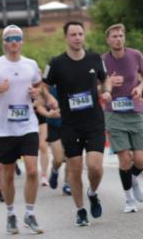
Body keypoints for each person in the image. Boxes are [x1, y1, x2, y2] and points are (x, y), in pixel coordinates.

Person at [40, 21, 111, 227]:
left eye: (80, 34)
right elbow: (43, 85)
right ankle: (80, 210)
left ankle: (93, 193)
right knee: (75, 168)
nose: (78, 38)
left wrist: (106, 91)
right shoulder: (56, 63)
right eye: (73, 34)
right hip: (70, 124)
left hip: (94, 121)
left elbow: (104, 79)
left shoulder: (95, 58)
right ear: (66, 37)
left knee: (95, 168)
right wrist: (50, 99)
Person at [0, 25, 45, 235]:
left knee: (33, 170)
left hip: (28, 125)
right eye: (9, 38)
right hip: (4, 129)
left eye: (17, 38)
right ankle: (10, 214)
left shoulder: (31, 64)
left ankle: (30, 213)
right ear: (4, 42)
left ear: (22, 41)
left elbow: (40, 87)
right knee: (6, 175)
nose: (14, 41)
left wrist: (37, 92)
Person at [102, 23, 143, 213]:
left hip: (135, 110)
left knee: (140, 160)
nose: (118, 39)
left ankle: (133, 178)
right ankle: (129, 199)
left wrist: (140, 87)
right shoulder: (103, 61)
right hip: (114, 113)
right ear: (108, 40)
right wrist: (108, 86)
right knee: (124, 159)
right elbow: (98, 85)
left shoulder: (135, 55)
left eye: (121, 35)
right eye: (114, 36)